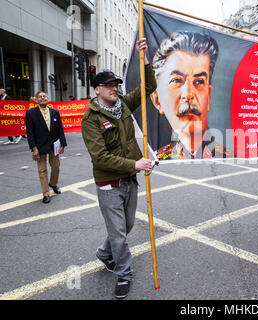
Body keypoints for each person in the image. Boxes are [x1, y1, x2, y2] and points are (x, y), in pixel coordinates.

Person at [81, 38, 156, 299]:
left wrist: (144, 57)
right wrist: (135, 163)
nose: (115, 89)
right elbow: (100, 157)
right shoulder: (90, 119)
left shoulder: (123, 104)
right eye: (110, 86)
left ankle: (104, 254)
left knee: (127, 225)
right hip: (109, 184)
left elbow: (148, 87)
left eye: (117, 85)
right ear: (98, 89)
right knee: (119, 233)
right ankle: (124, 274)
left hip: (129, 179)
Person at [150, 31, 231, 160]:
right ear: (157, 100)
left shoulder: (230, 159)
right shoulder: (158, 162)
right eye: (177, 81)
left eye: (199, 82)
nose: (188, 94)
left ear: (209, 96)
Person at [25, 91, 67, 203]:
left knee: (56, 166)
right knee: (42, 170)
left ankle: (53, 184)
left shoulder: (55, 112)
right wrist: (34, 148)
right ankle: (46, 193)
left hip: (54, 145)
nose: (43, 98)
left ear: (47, 99)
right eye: (40, 97)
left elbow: (60, 129)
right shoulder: (30, 113)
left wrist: (63, 144)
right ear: (36, 100)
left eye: (44, 96)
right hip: (40, 146)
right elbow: (30, 133)